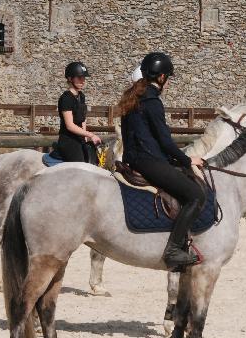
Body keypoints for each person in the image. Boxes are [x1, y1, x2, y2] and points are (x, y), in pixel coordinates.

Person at [117, 52, 206, 270]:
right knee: (196, 195)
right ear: (162, 78)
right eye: (169, 78)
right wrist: (187, 159)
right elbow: (165, 141)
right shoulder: (152, 101)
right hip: (148, 161)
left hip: (134, 158)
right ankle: (174, 249)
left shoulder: (133, 97)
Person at [55, 62, 101, 163]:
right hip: (68, 141)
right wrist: (91, 135)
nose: (83, 81)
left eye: (84, 78)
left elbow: (82, 119)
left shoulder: (81, 96)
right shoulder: (66, 98)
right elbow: (70, 125)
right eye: (79, 78)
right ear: (70, 79)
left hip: (80, 139)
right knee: (79, 166)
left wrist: (84, 138)